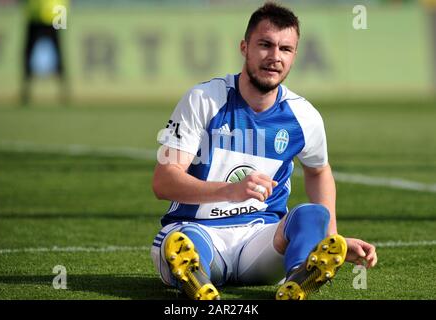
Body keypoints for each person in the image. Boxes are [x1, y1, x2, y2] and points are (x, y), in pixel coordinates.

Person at [151, 2, 377, 300]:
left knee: (311, 214)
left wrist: (331, 237)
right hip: (197, 230)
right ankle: (196, 280)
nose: (274, 57)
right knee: (181, 245)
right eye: (265, 45)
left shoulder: (304, 116)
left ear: (294, 56)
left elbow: (319, 171)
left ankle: (301, 276)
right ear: (244, 47)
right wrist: (231, 191)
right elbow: (163, 181)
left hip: (261, 242)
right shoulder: (203, 99)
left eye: (285, 49)